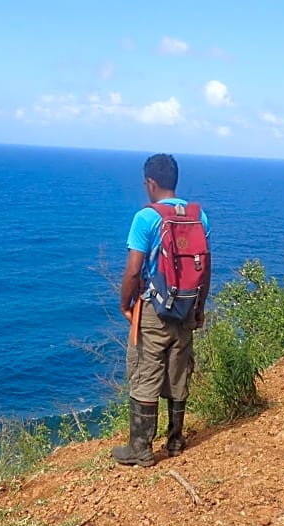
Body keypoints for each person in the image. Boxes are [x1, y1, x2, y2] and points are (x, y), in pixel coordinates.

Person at [112, 153, 211, 466]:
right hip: (185, 307)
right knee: (179, 369)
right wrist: (199, 306)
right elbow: (205, 268)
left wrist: (126, 304)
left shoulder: (147, 218)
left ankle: (140, 448)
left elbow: (133, 270)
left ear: (150, 183)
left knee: (146, 371)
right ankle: (175, 441)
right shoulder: (199, 217)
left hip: (155, 308)